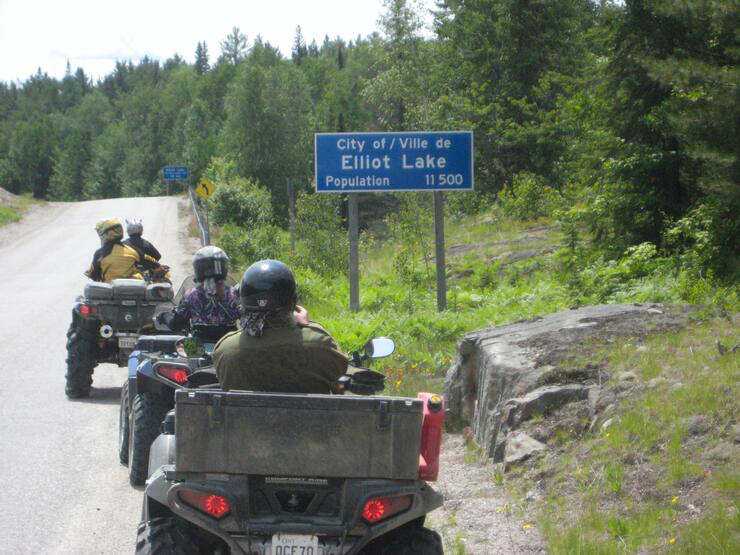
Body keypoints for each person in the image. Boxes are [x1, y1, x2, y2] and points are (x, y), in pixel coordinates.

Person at [213, 259, 347, 394]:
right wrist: (307, 325)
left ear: (244, 304)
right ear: (293, 301)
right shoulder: (319, 343)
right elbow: (342, 374)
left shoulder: (225, 350)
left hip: (245, 416)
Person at [157, 246, 240, 332]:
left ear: (198, 270)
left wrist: (165, 316)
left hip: (200, 344)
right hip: (229, 345)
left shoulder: (191, 296)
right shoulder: (235, 294)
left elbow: (176, 325)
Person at [86, 219, 163, 283]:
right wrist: (160, 268)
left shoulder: (100, 253)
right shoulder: (133, 250)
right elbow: (153, 263)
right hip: (134, 289)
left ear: (105, 234)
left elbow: (93, 275)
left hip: (110, 292)